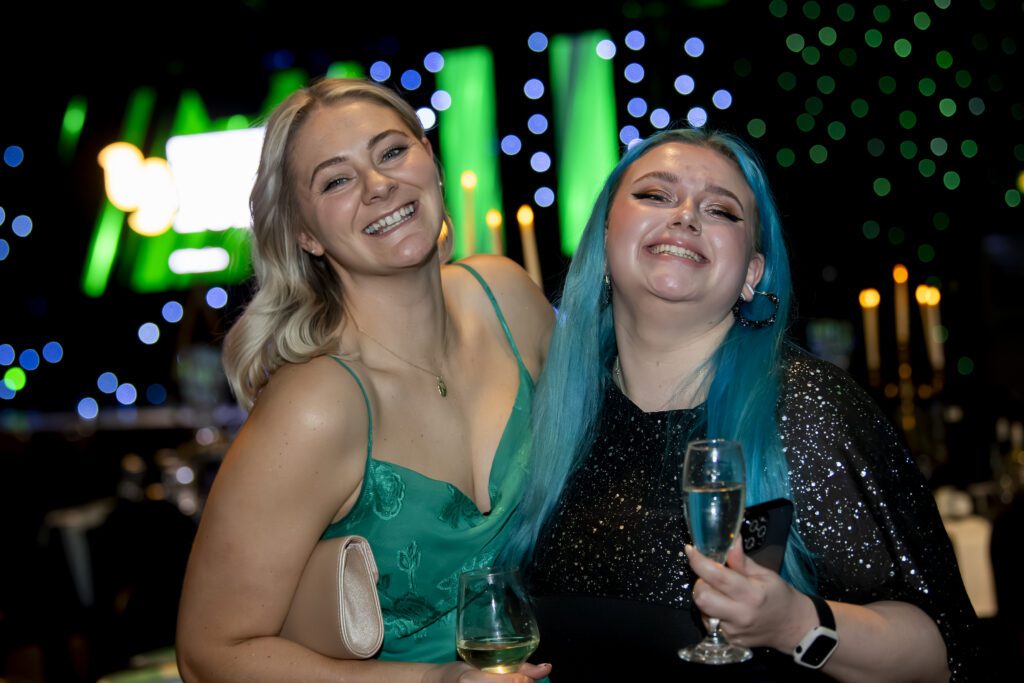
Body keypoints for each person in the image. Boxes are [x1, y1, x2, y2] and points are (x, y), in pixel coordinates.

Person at [500, 128, 981, 681]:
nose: (685, 217)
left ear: (751, 273)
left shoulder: (806, 406)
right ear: (605, 239)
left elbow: (942, 653)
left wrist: (795, 623)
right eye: (655, 195)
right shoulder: (555, 414)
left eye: (720, 211)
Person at [176, 78, 554, 682]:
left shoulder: (507, 298)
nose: (379, 185)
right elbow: (209, 653)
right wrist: (434, 682)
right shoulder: (315, 405)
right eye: (336, 181)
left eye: (392, 152)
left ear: (430, 160)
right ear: (304, 233)